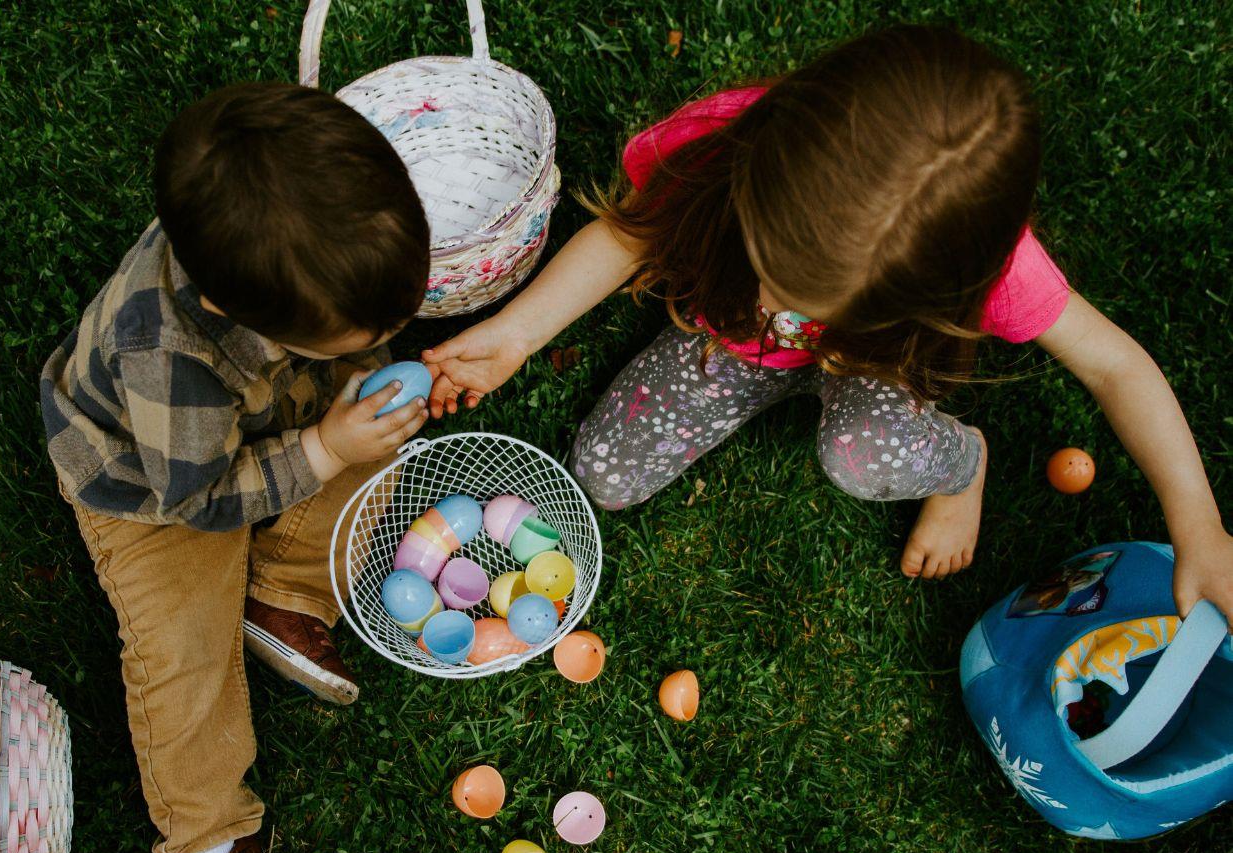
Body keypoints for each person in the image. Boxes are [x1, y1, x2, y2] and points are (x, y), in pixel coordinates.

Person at [422, 26, 1233, 620]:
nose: (778, 308)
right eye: (769, 262)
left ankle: (963, 465)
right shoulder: (725, 140)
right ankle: (770, 376)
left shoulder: (994, 270)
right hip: (726, 345)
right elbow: (629, 233)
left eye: (813, 299)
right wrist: (518, 334)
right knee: (601, 475)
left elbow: (1116, 366)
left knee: (860, 456)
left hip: (874, 371)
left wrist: (1197, 524)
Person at [40, 83, 429, 853]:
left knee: (389, 428)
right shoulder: (168, 358)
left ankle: (281, 595)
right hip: (154, 488)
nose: (389, 337)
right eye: (364, 329)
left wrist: (364, 385)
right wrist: (324, 447)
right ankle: (208, 834)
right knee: (182, 651)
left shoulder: (267, 249)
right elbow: (200, 499)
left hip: (269, 410)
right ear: (230, 307)